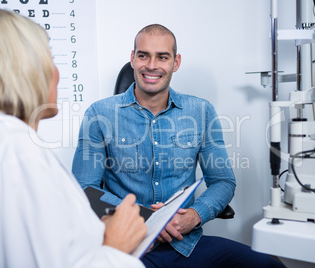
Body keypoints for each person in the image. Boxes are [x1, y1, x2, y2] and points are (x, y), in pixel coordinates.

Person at [72, 24, 284, 267]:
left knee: (269, 265)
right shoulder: (99, 113)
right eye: (143, 55)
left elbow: (223, 181)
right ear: (132, 59)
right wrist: (147, 220)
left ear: (176, 62)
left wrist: (195, 215)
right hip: (130, 248)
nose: (152, 65)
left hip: (186, 244)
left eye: (162, 57)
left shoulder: (201, 111)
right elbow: (84, 187)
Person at [0, 9, 147, 267]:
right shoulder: (15, 154)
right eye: (49, 60)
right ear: (25, 70)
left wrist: (98, 231)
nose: (57, 74)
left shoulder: (0, 148)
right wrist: (116, 245)